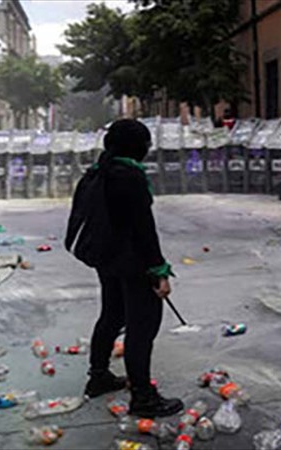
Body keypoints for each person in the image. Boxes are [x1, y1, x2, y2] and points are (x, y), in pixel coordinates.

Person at [68, 119, 184, 418]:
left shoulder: (96, 173)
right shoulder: (129, 177)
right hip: (132, 262)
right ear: (138, 147)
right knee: (141, 327)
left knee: (112, 314)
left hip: (106, 259)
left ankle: (99, 376)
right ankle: (143, 397)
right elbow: (144, 230)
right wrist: (158, 270)